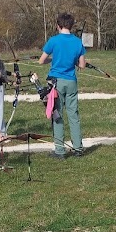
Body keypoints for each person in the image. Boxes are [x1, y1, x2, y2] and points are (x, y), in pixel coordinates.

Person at [38, 12, 86, 159]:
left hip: (56, 83)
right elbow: (82, 65)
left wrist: (52, 60)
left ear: (58, 26)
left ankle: (60, 150)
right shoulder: (78, 42)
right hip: (71, 81)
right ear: (71, 26)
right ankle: (78, 148)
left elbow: (41, 61)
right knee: (73, 115)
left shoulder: (53, 41)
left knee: (57, 114)